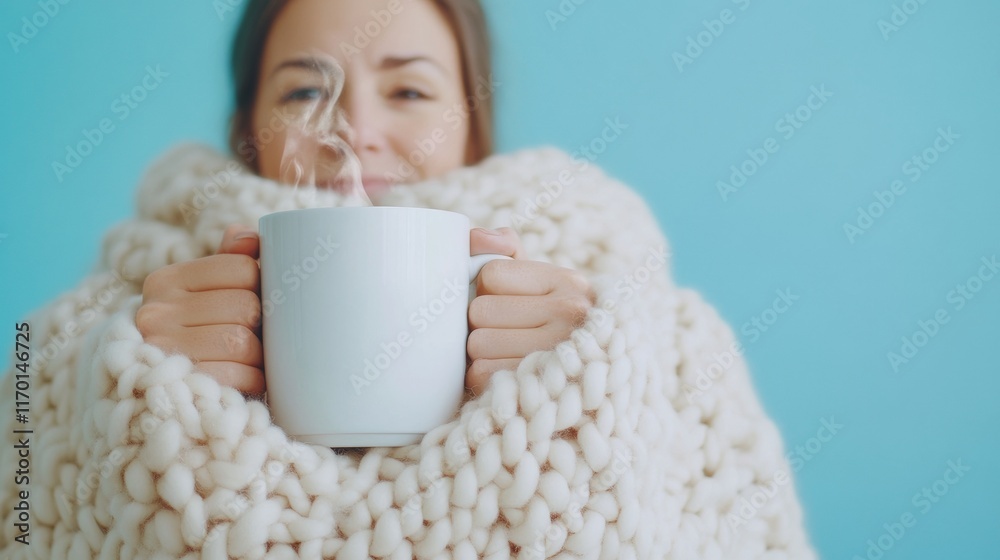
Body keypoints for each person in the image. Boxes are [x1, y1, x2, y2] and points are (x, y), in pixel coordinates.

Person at [135, 0, 597, 398]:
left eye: (408, 91)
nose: (354, 131)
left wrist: (581, 375)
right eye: (306, 92)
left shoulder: (601, 298)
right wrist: (146, 380)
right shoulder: (139, 310)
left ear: (473, 132)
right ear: (246, 132)